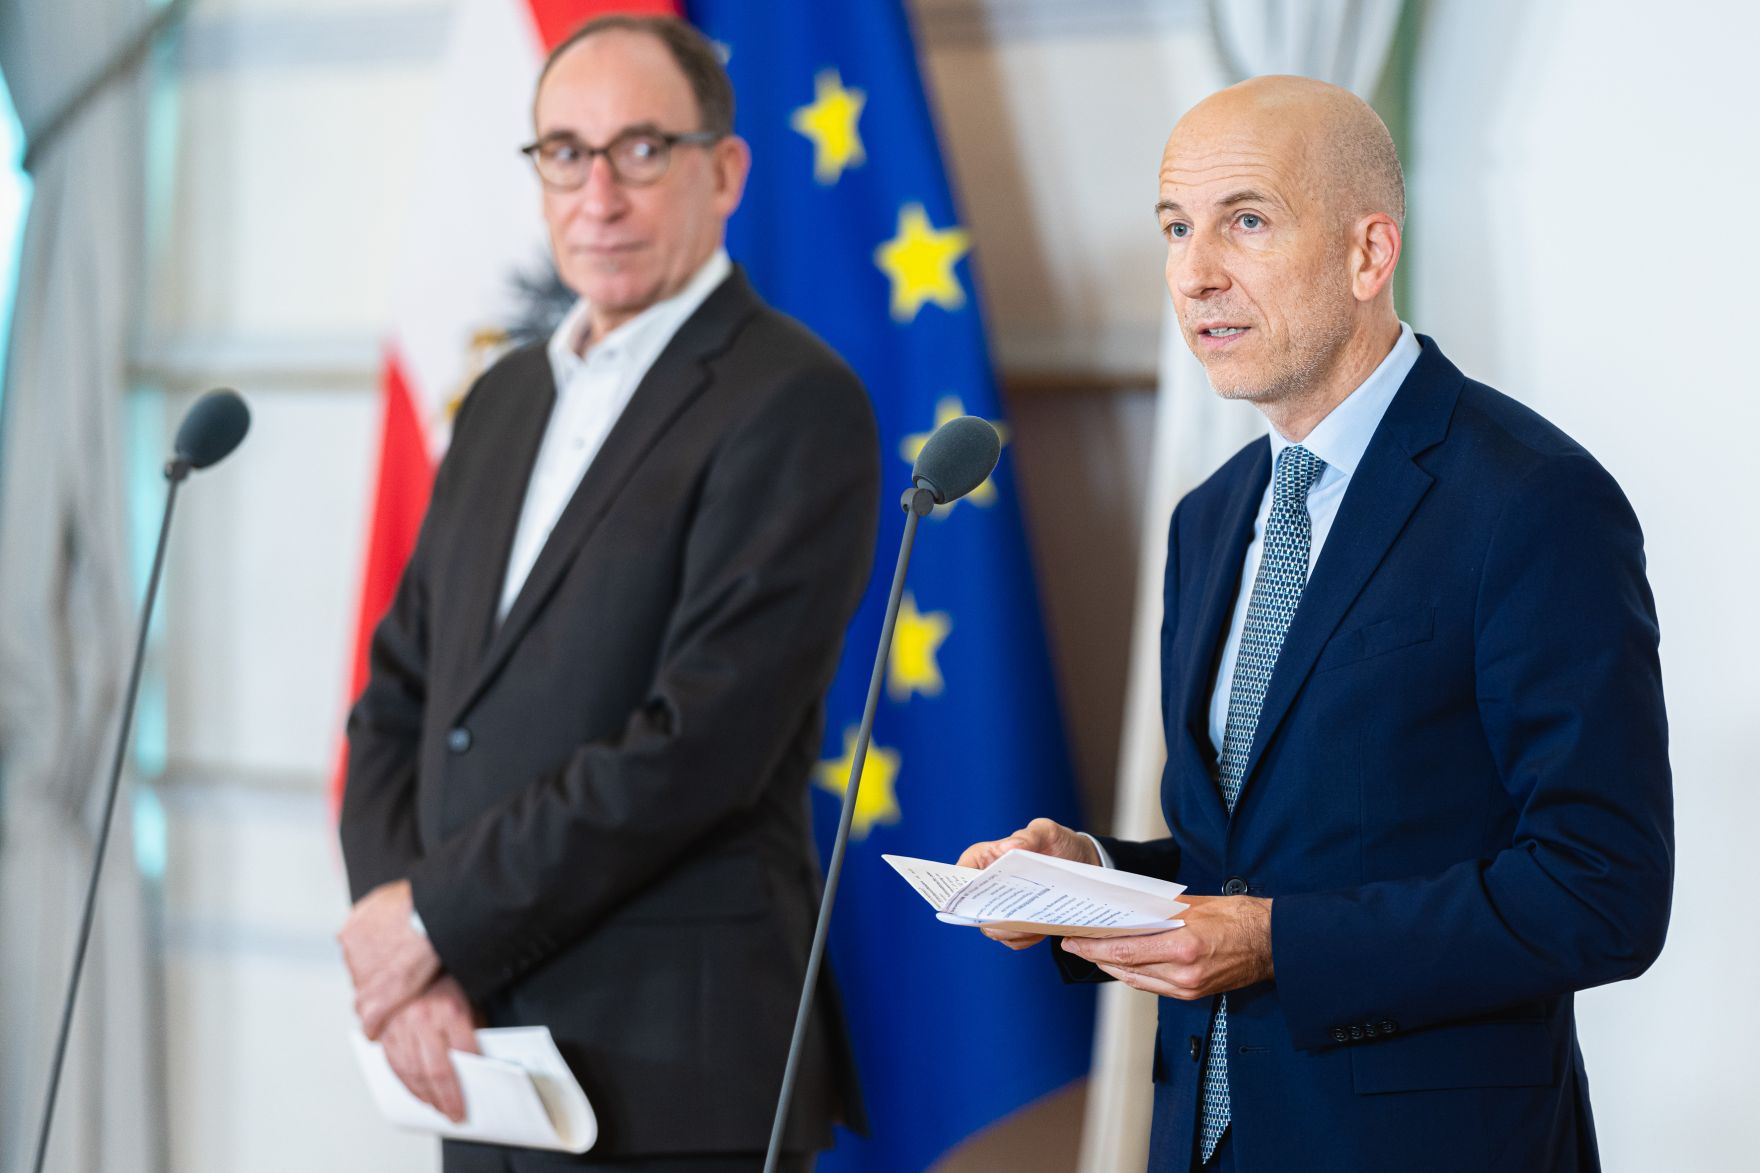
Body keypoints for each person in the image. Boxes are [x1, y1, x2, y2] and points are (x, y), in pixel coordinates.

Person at [960, 75, 1672, 1173]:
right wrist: (1085, 877)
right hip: (1206, 1140)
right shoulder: (1211, 518)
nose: (1194, 273)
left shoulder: (1527, 501)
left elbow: (1600, 889)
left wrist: (1276, 946)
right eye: (1174, 228)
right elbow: (1241, 865)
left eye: (1244, 221)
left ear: (1365, 254)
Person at [336, 15, 875, 1172]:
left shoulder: (793, 404)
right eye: (564, 154)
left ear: (723, 170)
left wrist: (432, 921)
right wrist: (410, 954)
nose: (598, 194)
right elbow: (399, 699)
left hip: (671, 1064)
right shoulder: (500, 399)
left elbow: (696, 747)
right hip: (474, 1047)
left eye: (641, 150)